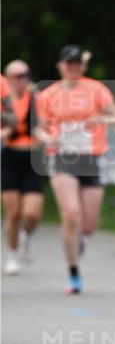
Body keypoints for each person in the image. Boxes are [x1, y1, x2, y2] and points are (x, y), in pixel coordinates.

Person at [34, 45, 115, 294]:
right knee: (71, 215)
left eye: (77, 63)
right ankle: (73, 273)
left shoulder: (96, 89)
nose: (73, 67)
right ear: (60, 66)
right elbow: (39, 129)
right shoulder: (48, 95)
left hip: (92, 158)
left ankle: (79, 238)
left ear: (82, 66)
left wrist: (100, 119)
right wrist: (47, 138)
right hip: (62, 158)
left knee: (88, 225)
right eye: (68, 63)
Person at [1, 60, 44, 274]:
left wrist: (46, 136)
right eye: (18, 76)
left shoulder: (36, 99)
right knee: (13, 213)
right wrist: (5, 133)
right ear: (8, 79)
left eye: (25, 75)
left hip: (32, 158)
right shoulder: (3, 102)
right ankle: (12, 255)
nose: (22, 79)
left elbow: (46, 126)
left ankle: (25, 236)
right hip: (10, 157)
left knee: (32, 213)